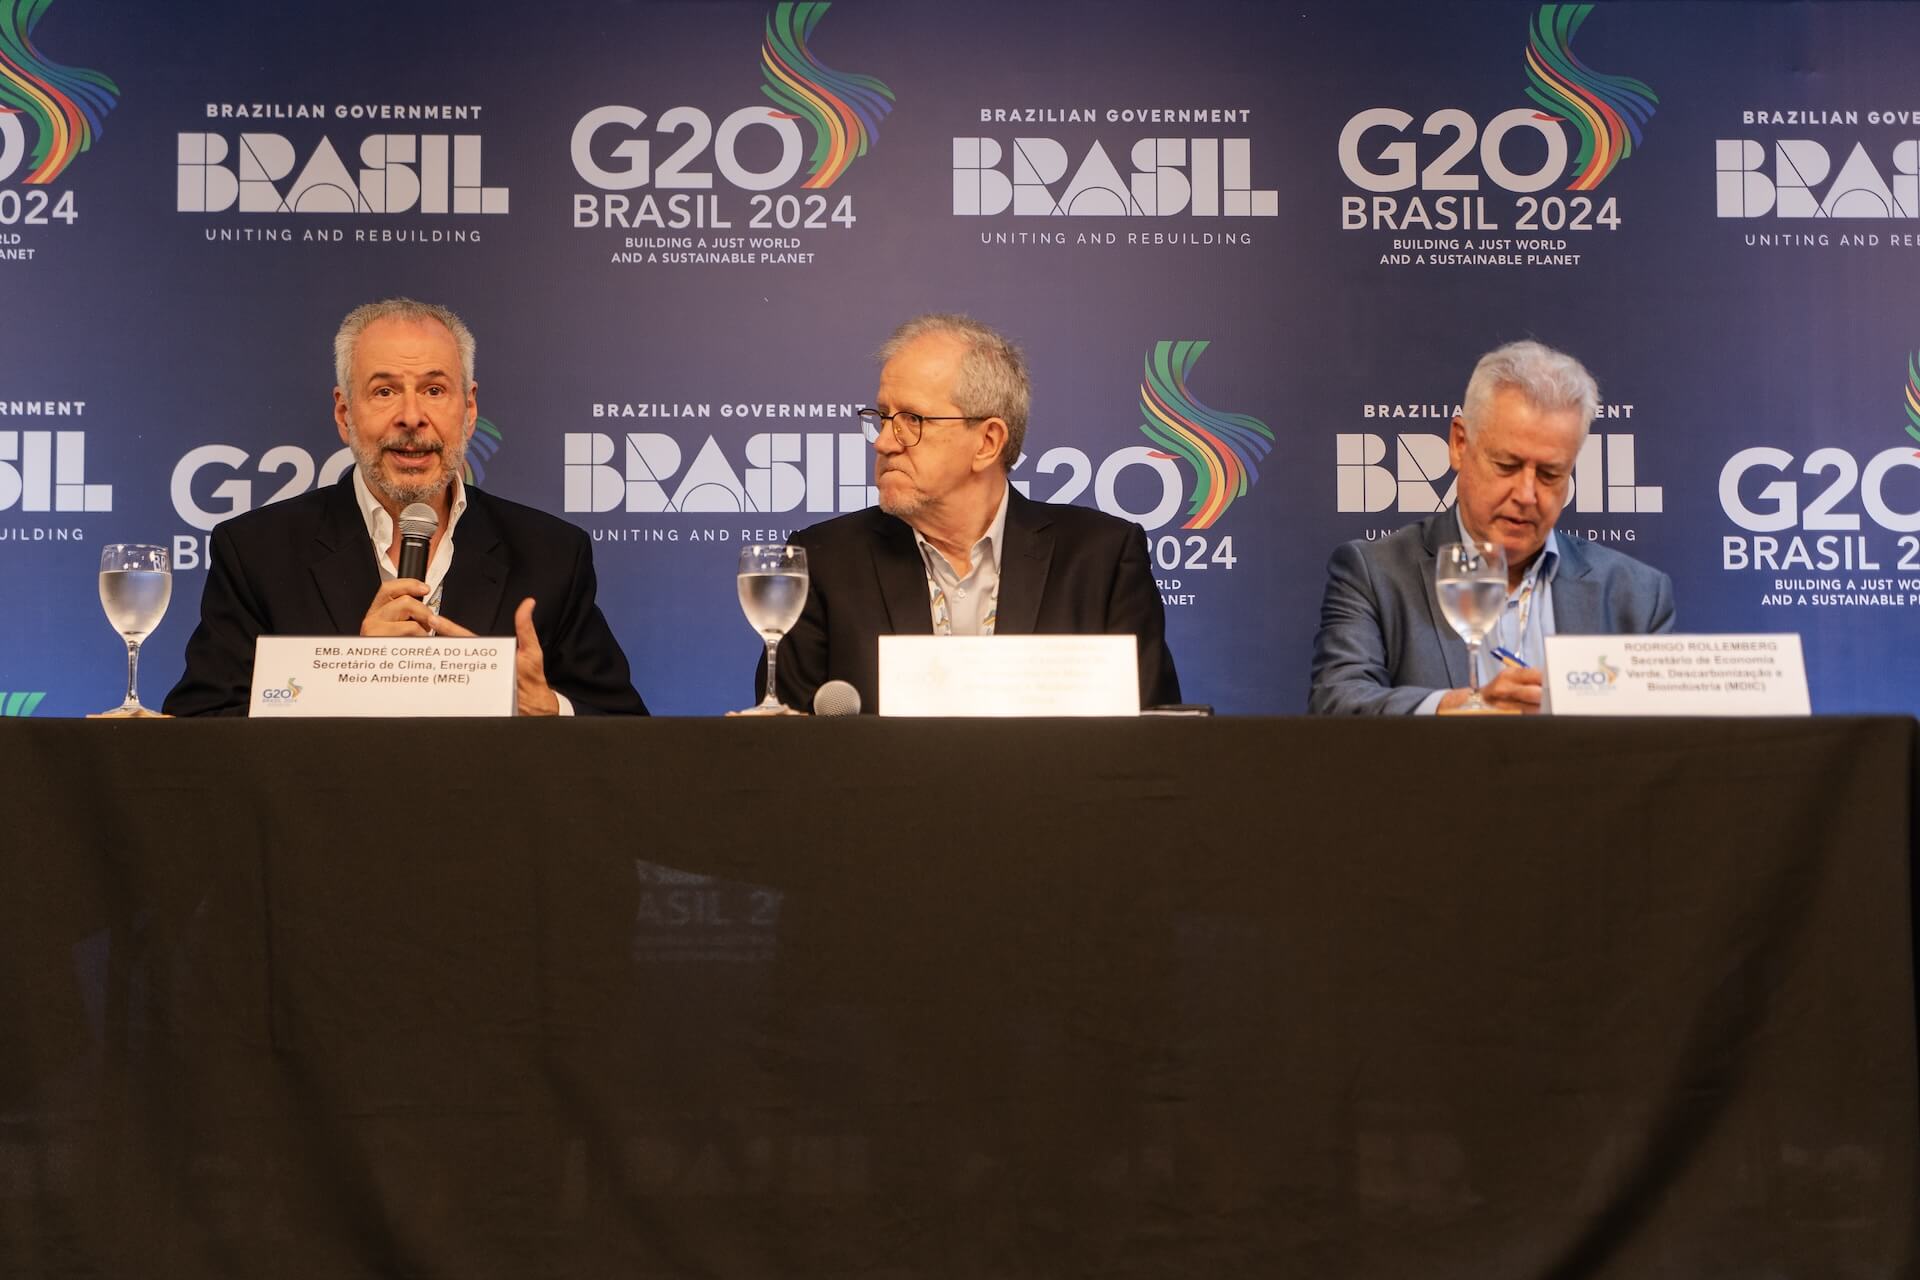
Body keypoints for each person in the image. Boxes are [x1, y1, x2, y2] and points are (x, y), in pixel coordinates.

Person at [164, 298, 647, 717]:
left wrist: (547, 709)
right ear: (344, 414)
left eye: (435, 390)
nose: (412, 417)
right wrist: (347, 681)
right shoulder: (257, 553)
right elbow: (201, 731)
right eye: (384, 391)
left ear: (470, 410)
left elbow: (627, 733)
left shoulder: (552, 555)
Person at [764, 313, 1180, 713]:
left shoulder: (1101, 558)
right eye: (883, 417)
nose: (884, 441)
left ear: (987, 442)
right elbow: (787, 748)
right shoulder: (824, 560)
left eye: (911, 419)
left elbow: (1154, 742)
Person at [1309, 340, 1673, 715]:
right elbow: (1336, 702)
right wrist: (1460, 708)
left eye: (1550, 474)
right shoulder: (1375, 573)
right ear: (1459, 443)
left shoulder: (1636, 594)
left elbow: (1667, 746)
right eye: (1506, 466)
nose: (1527, 494)